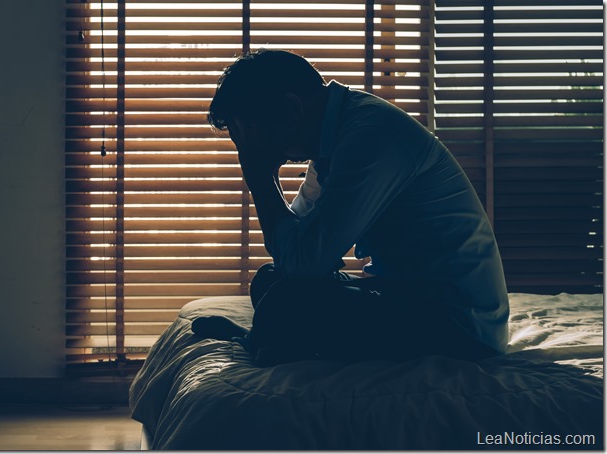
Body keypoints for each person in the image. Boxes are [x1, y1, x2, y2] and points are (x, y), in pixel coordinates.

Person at [191, 49, 510, 366]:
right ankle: (265, 340)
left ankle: (261, 341)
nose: (250, 147)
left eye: (253, 132)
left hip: (459, 327)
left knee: (286, 300)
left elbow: (304, 262)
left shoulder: (372, 137)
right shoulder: (334, 139)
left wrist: (259, 176)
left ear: (291, 107)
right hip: (405, 295)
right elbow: (294, 249)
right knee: (269, 280)